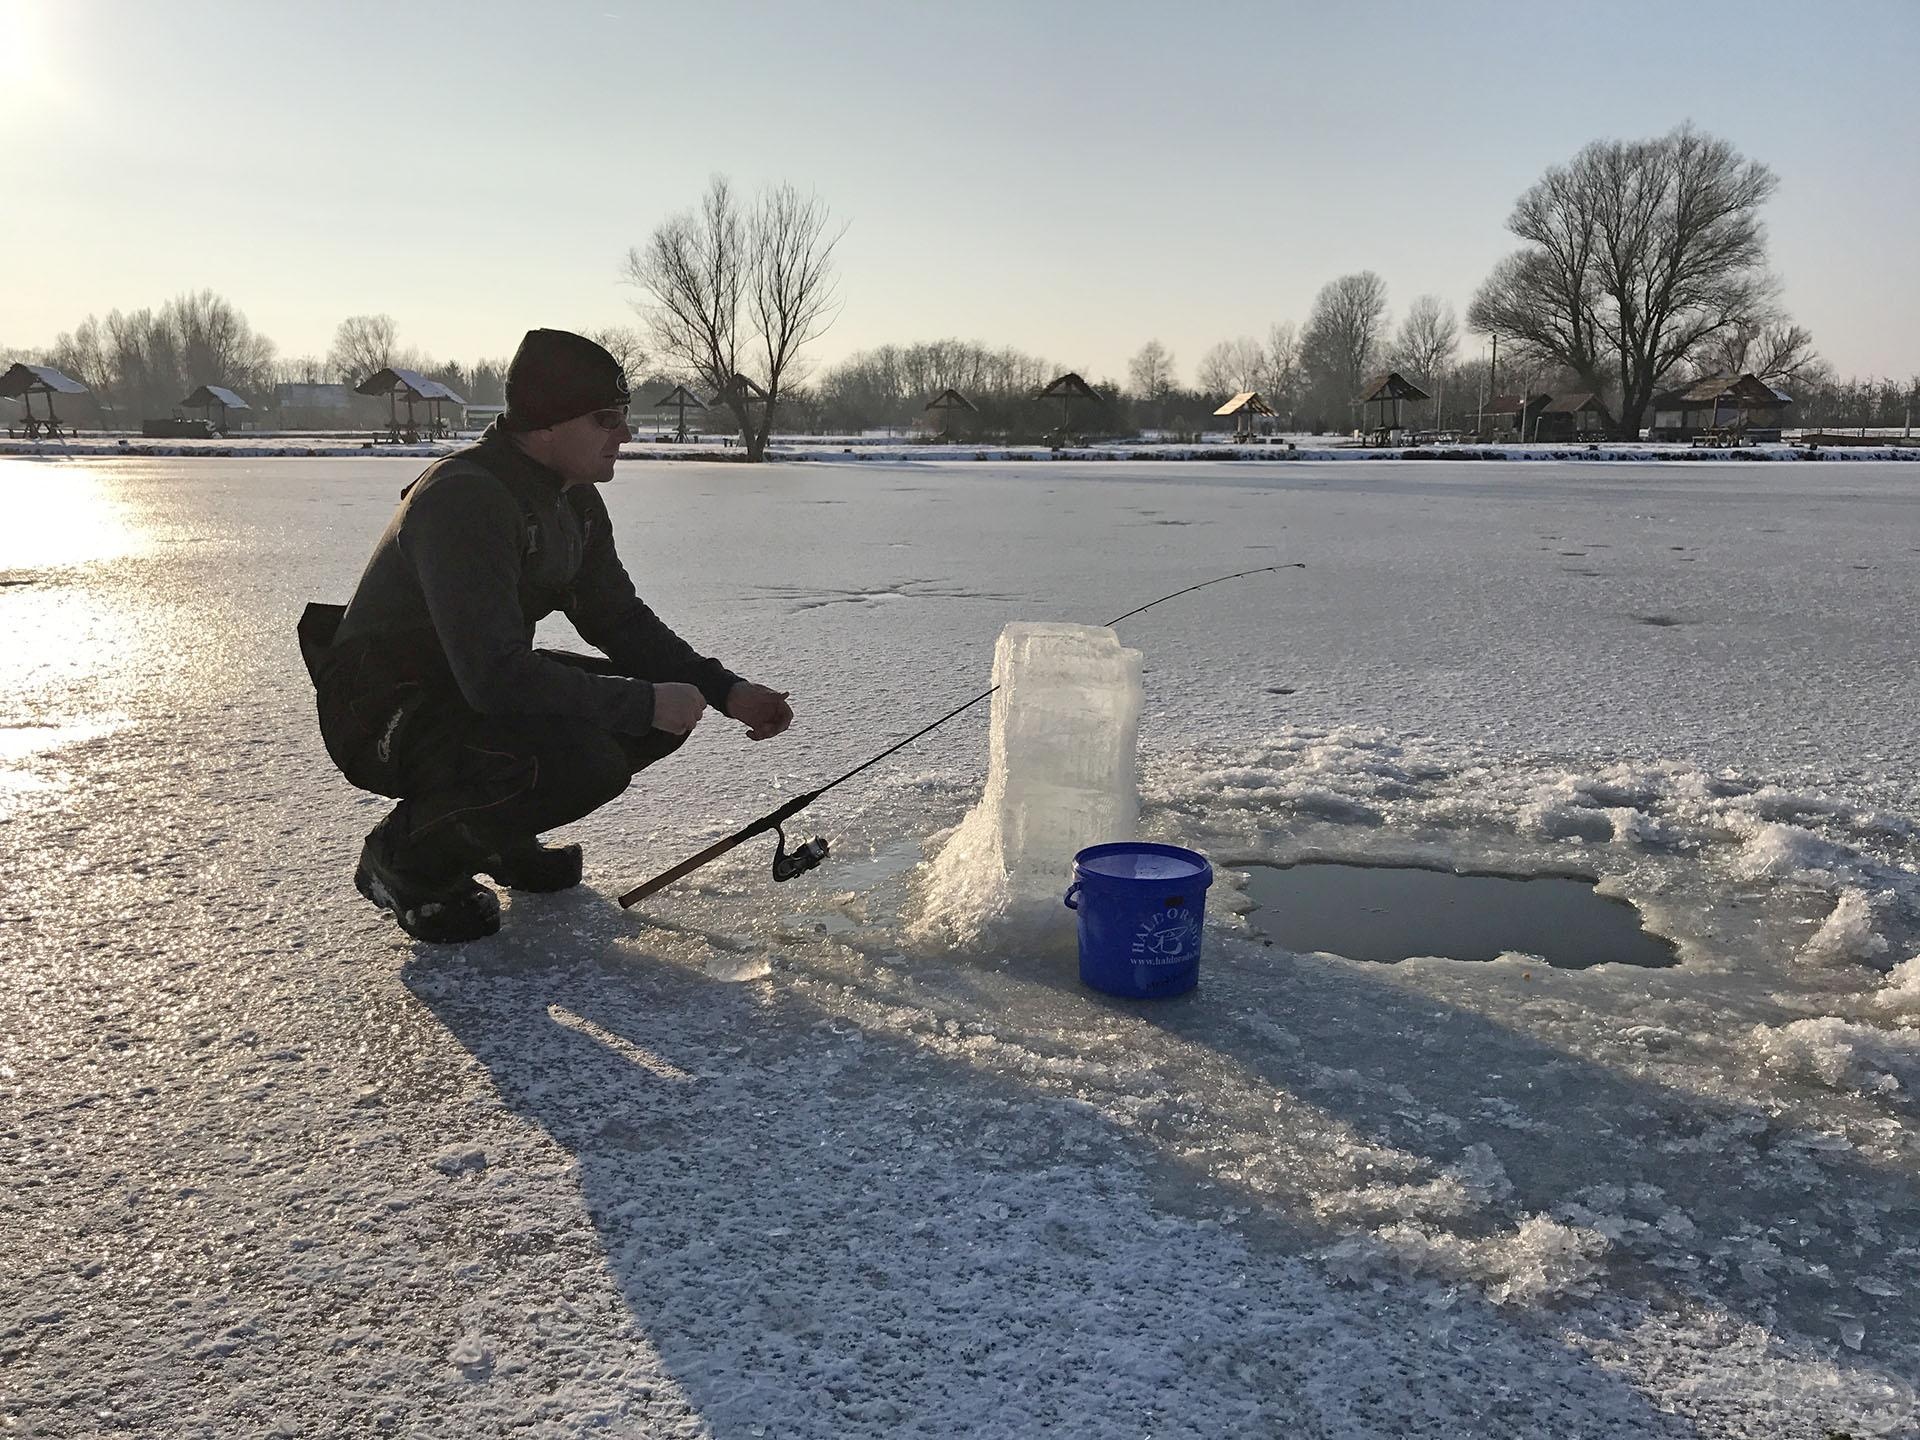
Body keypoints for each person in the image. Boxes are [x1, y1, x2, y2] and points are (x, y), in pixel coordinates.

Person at [298, 328, 793, 943]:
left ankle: (493, 836)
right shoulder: (466, 499)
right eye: (606, 418)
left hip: (460, 690)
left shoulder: (572, 499)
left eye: (624, 416)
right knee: (588, 757)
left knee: (657, 711)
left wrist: (724, 690)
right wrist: (644, 701)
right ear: (547, 424)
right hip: (383, 713)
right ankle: (408, 858)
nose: (625, 433)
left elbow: (618, 620)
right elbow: (494, 678)